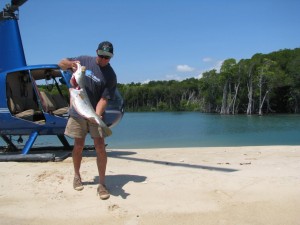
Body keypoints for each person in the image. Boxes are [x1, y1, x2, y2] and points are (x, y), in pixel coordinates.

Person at [58, 41, 117, 200]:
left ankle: (102, 184)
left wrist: (96, 116)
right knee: (78, 146)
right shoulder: (83, 61)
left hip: (93, 113)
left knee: (100, 148)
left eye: (108, 57)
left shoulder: (111, 75)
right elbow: (60, 63)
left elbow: (104, 99)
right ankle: (77, 176)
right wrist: (71, 64)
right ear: (96, 52)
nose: (104, 59)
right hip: (77, 112)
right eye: (102, 56)